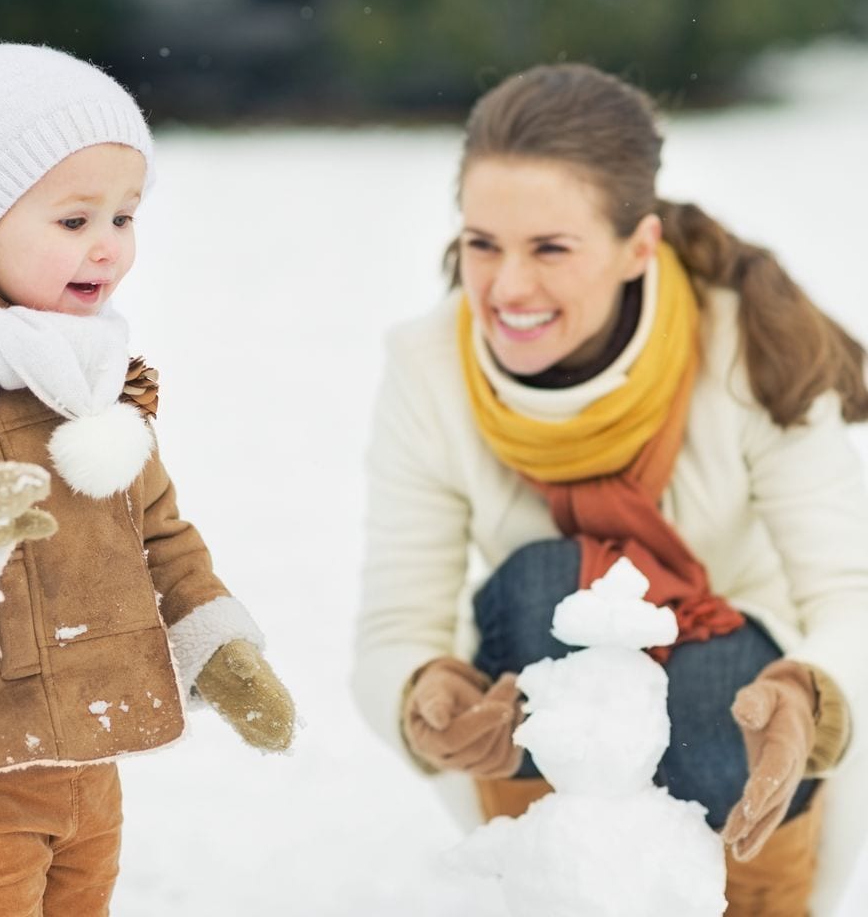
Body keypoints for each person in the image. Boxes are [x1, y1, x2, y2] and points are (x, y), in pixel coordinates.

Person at [352, 63, 868, 915]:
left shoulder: (755, 344)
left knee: (706, 692)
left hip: (745, 708)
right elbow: (394, 626)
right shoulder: (427, 367)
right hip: (545, 704)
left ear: (639, 247)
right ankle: (561, 888)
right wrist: (423, 694)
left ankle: (759, 899)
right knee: (548, 587)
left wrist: (807, 694)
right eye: (482, 244)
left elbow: (853, 593)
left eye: (551, 248)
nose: (506, 288)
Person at [0, 43, 296, 916]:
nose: (108, 248)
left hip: (86, 749)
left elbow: (157, 532)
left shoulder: (90, 370)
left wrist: (219, 649)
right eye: (74, 222)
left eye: (125, 217)